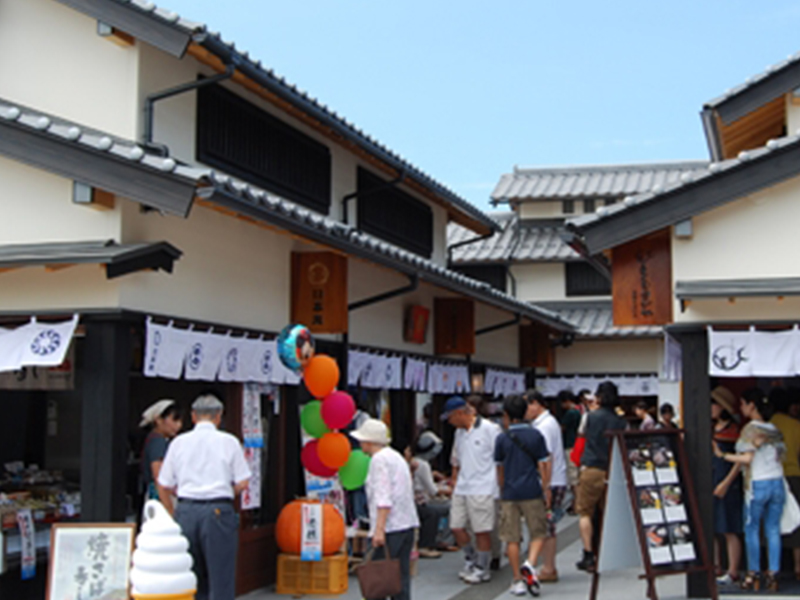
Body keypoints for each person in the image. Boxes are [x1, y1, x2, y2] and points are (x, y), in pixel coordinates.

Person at [157, 394, 251, 600]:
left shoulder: (179, 443)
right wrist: (227, 490)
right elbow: (243, 482)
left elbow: (164, 483)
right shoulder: (229, 442)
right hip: (218, 510)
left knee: (191, 574)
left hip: (186, 510)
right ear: (219, 417)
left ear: (193, 416)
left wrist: (173, 513)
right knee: (221, 576)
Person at [714, 387, 786, 592]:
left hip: (758, 483)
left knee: (752, 529)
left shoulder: (750, 429)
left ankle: (753, 574)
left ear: (752, 405)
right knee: (773, 530)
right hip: (777, 481)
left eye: (744, 403)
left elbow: (747, 458)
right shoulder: (774, 429)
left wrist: (722, 455)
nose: (742, 407)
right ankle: (773, 574)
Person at [352, 419, 419, 600]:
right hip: (406, 523)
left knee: (377, 582)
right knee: (401, 578)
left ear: (369, 441)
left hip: (389, 527)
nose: (360, 443)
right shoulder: (396, 457)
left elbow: (383, 496)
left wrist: (379, 530)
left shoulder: (378, 460)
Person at [443, 396, 501, 584]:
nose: (449, 422)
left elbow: (501, 460)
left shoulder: (490, 429)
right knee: (456, 526)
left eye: (450, 417)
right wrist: (454, 481)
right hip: (463, 486)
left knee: (481, 530)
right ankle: (472, 559)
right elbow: (457, 461)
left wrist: (500, 486)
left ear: (460, 413)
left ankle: (483, 568)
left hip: (483, 487)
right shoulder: (459, 433)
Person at [495, 395, 550, 596]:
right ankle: (531, 563)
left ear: (507, 415)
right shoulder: (536, 436)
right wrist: (546, 488)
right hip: (532, 491)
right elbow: (544, 464)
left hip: (509, 492)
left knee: (512, 538)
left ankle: (517, 578)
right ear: (526, 411)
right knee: (538, 532)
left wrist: (502, 489)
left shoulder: (501, 438)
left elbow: (499, 469)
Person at [575, 382, 627, 572]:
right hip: (613, 470)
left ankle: (588, 553)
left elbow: (582, 435)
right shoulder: (621, 420)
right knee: (607, 513)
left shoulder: (590, 417)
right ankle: (607, 550)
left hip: (591, 468)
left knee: (585, 512)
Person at [525, 390, 568, 583]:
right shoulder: (547, 423)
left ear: (536, 404)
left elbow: (546, 458)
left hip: (551, 481)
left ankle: (549, 567)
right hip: (554, 479)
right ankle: (548, 566)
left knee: (546, 526)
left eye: (527, 406)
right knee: (546, 525)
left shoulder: (545, 426)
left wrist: (546, 486)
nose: (525, 411)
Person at [709, 386, 742, 586]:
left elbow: (740, 461)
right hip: (712, 479)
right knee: (712, 526)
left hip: (727, 482)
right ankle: (715, 566)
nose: (711, 407)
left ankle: (733, 570)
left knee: (729, 527)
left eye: (714, 403)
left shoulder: (734, 430)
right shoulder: (711, 428)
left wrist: (726, 482)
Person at [770, 387, 800, 580]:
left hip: (770, 476)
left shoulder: (766, 425)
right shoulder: (796, 426)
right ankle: (798, 567)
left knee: (772, 523)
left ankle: (773, 569)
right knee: (797, 522)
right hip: (793, 474)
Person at [405, 431, 450, 559]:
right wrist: (449, 490)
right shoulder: (422, 465)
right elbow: (433, 490)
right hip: (420, 501)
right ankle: (440, 540)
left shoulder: (415, 462)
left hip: (416, 499)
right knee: (448, 507)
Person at [140, 399, 183, 502]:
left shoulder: (154, 439)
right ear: (159, 420)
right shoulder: (158, 442)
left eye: (180, 421)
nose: (179, 425)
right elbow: (158, 475)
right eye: (174, 420)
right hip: (161, 496)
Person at [559, 390, 581, 514]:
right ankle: (576, 503)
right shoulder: (579, 411)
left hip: (570, 446)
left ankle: (577, 505)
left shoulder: (570, 413)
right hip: (577, 445)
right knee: (576, 475)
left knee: (573, 477)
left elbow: (562, 428)